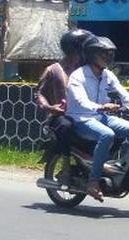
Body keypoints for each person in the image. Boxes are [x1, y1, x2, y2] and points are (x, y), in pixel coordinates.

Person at [65, 35, 129, 201]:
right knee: (107, 135)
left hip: (101, 117)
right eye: (103, 54)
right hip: (81, 119)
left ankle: (122, 168)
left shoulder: (107, 75)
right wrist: (101, 107)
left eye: (109, 54)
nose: (107, 57)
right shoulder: (78, 76)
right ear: (91, 54)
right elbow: (80, 101)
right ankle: (93, 181)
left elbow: (124, 94)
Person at [35, 28, 92, 159]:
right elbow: (39, 94)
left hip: (86, 115)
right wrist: (50, 108)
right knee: (65, 126)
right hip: (61, 116)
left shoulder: (88, 70)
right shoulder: (53, 70)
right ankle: (66, 162)